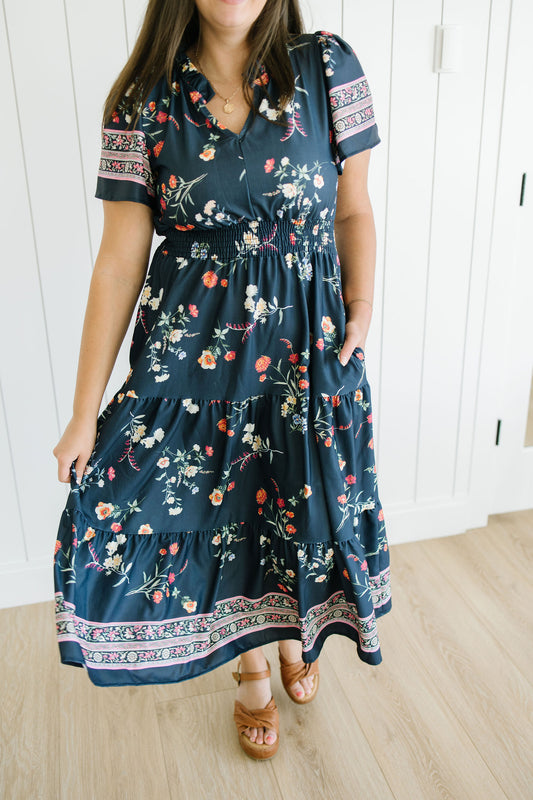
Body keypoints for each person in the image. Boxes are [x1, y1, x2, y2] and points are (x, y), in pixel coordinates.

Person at [52, 0, 391, 761]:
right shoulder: (141, 101)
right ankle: (252, 674)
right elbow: (118, 261)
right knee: (222, 513)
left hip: (306, 350)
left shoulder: (328, 66)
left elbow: (352, 210)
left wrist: (361, 311)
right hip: (192, 364)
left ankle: (295, 636)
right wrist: (83, 413)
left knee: (296, 506)